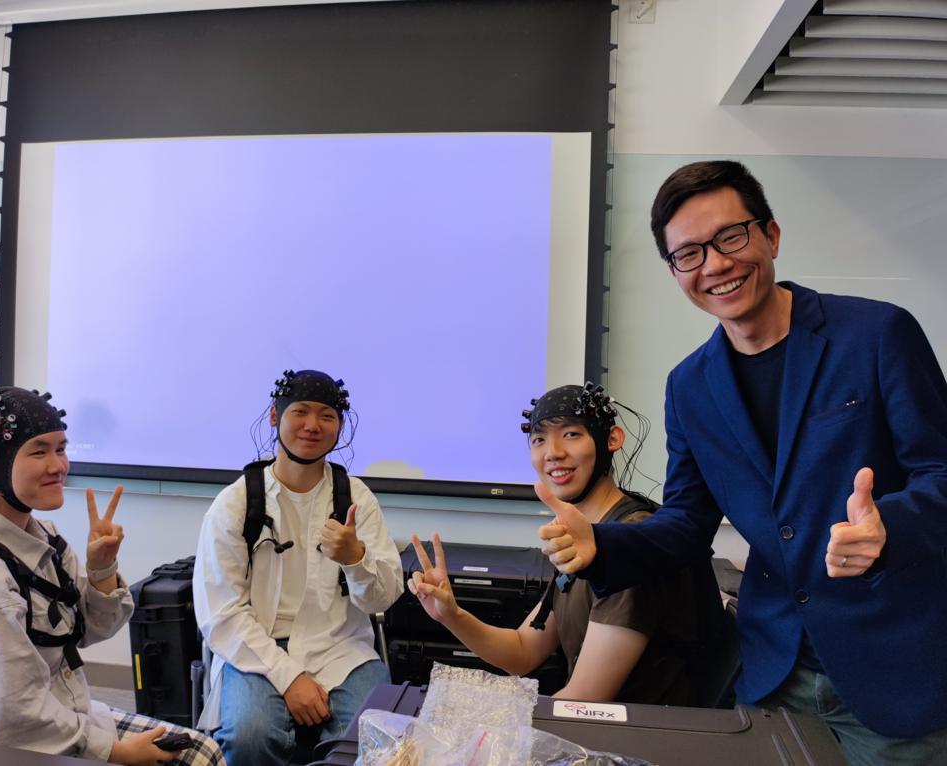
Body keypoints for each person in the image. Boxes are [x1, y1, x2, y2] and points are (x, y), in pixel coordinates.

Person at [539, 161, 947, 765]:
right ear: (675, 271)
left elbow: (939, 473)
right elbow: (686, 524)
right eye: (690, 254)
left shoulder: (877, 333)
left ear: (771, 236)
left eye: (731, 237)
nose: (716, 264)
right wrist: (603, 544)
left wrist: (889, 526)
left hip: (889, 671)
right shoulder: (690, 385)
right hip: (772, 673)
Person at [0, 386, 224, 766]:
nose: (58, 466)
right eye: (39, 451)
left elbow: (86, 632)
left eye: (61, 449)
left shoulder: (42, 538)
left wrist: (101, 570)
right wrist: (114, 752)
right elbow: (11, 718)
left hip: (61, 712)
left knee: (203, 752)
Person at [408, 383, 720, 705]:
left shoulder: (630, 540)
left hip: (639, 741)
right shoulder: (580, 536)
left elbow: (584, 698)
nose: (552, 452)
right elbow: (523, 650)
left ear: (612, 439)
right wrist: (451, 614)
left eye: (571, 434)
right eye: (539, 439)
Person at [193, 369, 403, 766]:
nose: (312, 425)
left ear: (340, 425)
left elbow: (384, 597)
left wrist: (355, 559)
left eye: (327, 415)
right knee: (249, 737)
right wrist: (289, 677)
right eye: (300, 412)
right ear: (275, 416)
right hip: (257, 648)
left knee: (377, 742)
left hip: (342, 648)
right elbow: (221, 613)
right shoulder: (236, 504)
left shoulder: (356, 499)